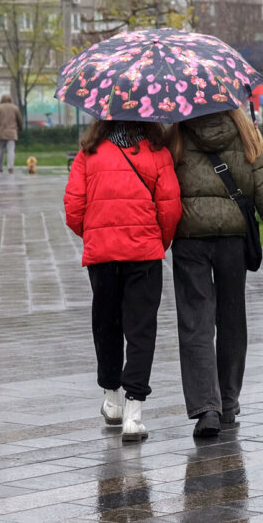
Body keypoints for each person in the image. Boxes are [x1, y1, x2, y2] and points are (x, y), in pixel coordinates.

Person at [168, 109, 263, 437]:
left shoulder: (176, 133)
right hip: (232, 241)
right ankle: (227, 400)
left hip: (189, 240)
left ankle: (205, 408)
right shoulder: (245, 131)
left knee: (195, 321)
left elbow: (162, 185)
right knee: (232, 319)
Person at [63, 121, 182, 442]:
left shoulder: (87, 154)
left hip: (102, 256)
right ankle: (134, 414)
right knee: (141, 330)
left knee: (106, 325)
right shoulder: (158, 153)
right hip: (144, 254)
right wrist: (158, 240)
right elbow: (170, 208)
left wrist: (95, 235)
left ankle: (112, 399)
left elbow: (74, 210)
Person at [0, 94, 23, 173]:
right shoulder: (15, 108)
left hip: (1, 133)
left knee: (1, 150)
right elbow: (20, 120)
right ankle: (10, 167)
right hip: (12, 133)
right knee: (11, 150)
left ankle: (0, 167)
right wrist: (20, 129)